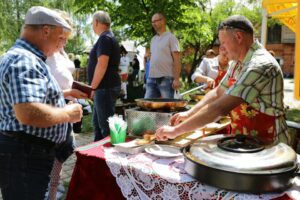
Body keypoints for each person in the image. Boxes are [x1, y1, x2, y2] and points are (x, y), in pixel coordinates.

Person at [156, 15, 290, 146]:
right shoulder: (237, 63)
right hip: (246, 140)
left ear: (238, 37)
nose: (222, 49)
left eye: (224, 43)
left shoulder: (260, 65)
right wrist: (189, 113)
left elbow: (220, 108)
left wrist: (175, 131)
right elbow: (217, 93)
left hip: (270, 145)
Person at [0, 6, 83, 200]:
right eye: (61, 38)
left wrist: (63, 94)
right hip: (25, 156)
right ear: (46, 31)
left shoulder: (26, 58)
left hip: (26, 154)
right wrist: (68, 114)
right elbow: (28, 112)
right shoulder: (25, 60)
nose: (61, 45)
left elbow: (27, 99)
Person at [45, 11, 88, 200]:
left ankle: (52, 193)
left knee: (59, 161)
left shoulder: (60, 51)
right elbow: (41, 94)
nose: (63, 41)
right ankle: (49, 193)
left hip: (66, 110)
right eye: (61, 36)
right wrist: (67, 94)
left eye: (65, 37)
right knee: (50, 161)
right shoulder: (43, 55)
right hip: (53, 112)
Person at [88, 11, 121, 141]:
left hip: (105, 88)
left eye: (92, 23)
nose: (92, 26)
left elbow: (102, 64)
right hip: (104, 88)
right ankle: (97, 157)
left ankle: (113, 158)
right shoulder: (108, 37)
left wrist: (93, 87)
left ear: (96, 22)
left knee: (105, 128)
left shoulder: (105, 38)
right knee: (98, 126)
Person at [144, 13, 181, 99]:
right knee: (147, 106)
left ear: (163, 21)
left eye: (155, 21)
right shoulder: (153, 39)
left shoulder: (171, 38)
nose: (153, 24)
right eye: (152, 22)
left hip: (166, 78)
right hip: (151, 78)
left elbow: (177, 60)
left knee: (167, 107)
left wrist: (177, 79)